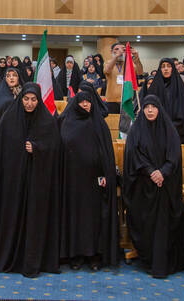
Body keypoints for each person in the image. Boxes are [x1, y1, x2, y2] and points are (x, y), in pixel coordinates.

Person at [0, 83, 60, 277]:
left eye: (34, 99)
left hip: (37, 184)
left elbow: (55, 150)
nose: (30, 103)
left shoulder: (47, 122)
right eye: (26, 99)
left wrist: (38, 149)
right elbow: (0, 152)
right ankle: (9, 257)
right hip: (13, 183)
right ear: (21, 98)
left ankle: (32, 260)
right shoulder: (9, 120)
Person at [123, 95, 184, 278]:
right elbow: (133, 155)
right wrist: (151, 171)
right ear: (142, 110)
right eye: (146, 107)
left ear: (159, 109)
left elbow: (174, 156)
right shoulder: (136, 130)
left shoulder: (169, 130)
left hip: (165, 185)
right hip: (143, 185)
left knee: (164, 222)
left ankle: (162, 260)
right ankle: (148, 258)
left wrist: (162, 172)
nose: (150, 110)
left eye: (153, 107)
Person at [59, 89, 118, 271]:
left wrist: (107, 176)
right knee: (75, 218)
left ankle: (94, 255)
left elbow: (107, 154)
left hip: (95, 181)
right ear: (76, 103)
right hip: (72, 181)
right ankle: (76, 255)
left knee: (93, 219)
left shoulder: (99, 124)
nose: (85, 104)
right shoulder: (67, 122)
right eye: (82, 101)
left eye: (88, 101)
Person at [146, 58, 184, 144]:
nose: (166, 69)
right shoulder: (154, 88)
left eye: (168, 66)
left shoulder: (180, 89)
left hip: (177, 133)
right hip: (156, 132)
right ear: (159, 69)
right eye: (163, 66)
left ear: (173, 68)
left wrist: (171, 126)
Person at [104, 42, 143, 114]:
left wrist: (137, 57)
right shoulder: (108, 62)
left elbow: (140, 72)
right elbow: (107, 70)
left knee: (126, 124)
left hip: (127, 101)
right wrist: (116, 56)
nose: (120, 51)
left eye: (123, 49)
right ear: (111, 51)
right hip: (111, 101)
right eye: (117, 49)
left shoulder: (129, 64)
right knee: (112, 123)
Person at [0, 68, 22, 139]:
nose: (11, 78)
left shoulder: (24, 93)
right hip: (3, 133)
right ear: (5, 79)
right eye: (8, 76)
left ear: (19, 78)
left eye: (14, 75)